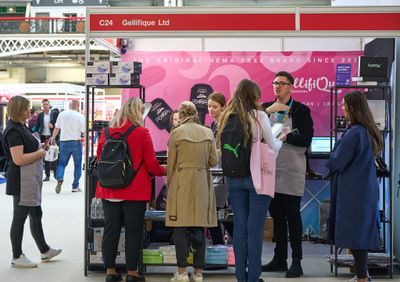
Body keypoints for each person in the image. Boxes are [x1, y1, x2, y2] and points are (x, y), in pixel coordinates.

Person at [218, 79, 282, 282]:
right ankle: (253, 277)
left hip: (233, 177)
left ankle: (240, 276)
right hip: (257, 178)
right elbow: (272, 145)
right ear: (254, 96)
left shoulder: (226, 116)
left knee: (239, 228)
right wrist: (281, 138)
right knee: (254, 229)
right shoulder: (259, 115)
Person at [95, 97, 166, 282]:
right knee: (134, 232)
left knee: (110, 230)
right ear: (138, 112)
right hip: (134, 191)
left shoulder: (106, 131)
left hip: (109, 189)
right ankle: (132, 273)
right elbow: (151, 165)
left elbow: (100, 158)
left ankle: (110, 271)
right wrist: (163, 170)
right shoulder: (142, 132)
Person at [261, 71, 314, 278]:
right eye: (275, 83)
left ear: (291, 87)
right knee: (277, 217)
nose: (277, 87)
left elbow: (306, 138)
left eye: (282, 84)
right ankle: (279, 258)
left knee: (292, 215)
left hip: (291, 169)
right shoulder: (265, 109)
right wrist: (266, 113)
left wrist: (284, 136)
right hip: (270, 170)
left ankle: (297, 261)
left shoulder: (301, 110)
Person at [328, 90, 382, 282]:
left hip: (353, 191)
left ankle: (361, 278)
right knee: (361, 233)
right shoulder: (368, 131)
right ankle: (363, 274)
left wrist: (332, 156)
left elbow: (337, 162)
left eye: (343, 105)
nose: (342, 108)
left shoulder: (354, 134)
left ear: (351, 108)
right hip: (364, 189)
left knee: (356, 236)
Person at [2, 96, 61, 268]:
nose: (30, 111)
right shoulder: (13, 131)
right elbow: (18, 159)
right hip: (21, 179)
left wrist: (41, 147)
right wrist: (40, 154)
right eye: (27, 108)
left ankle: (44, 250)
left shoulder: (22, 127)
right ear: (18, 110)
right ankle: (17, 256)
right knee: (20, 217)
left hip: (29, 178)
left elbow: (27, 150)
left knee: (36, 213)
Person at [166, 101, 218, 282]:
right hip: (202, 182)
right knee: (198, 226)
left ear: (180, 115)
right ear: (196, 114)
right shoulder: (208, 132)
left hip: (181, 182)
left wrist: (170, 186)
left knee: (180, 228)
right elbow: (213, 161)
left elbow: (171, 163)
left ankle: (181, 273)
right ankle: (198, 272)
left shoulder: (176, 133)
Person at [207, 92, 233, 245]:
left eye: (215, 107)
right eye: (209, 106)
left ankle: (218, 244)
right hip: (213, 170)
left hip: (223, 170)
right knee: (219, 210)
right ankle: (237, 240)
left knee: (215, 210)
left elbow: (224, 149)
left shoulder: (226, 124)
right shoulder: (212, 125)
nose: (211, 110)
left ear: (223, 107)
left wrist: (209, 155)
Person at [51, 99, 85, 193]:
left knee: (61, 164)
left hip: (64, 142)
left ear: (70, 105)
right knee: (77, 165)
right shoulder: (80, 116)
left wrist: (53, 138)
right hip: (76, 142)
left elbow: (56, 128)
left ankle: (60, 178)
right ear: (78, 106)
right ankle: (75, 185)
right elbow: (84, 131)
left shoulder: (62, 114)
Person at [34, 99, 57, 181]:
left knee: (54, 155)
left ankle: (55, 173)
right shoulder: (40, 115)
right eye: (44, 104)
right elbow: (37, 126)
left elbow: (58, 126)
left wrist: (53, 126)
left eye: (46, 104)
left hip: (52, 137)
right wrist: (33, 134)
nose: (45, 106)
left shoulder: (54, 114)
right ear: (42, 106)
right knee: (46, 156)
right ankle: (47, 175)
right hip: (44, 137)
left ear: (49, 105)